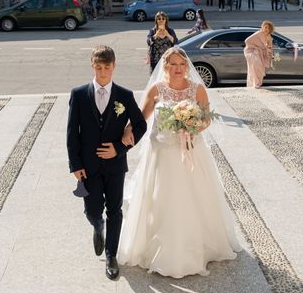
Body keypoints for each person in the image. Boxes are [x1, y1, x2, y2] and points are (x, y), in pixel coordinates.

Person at [118, 47, 241, 278]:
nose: (177, 69)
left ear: (187, 67)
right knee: (160, 198)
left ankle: (196, 246)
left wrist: (191, 127)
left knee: (193, 197)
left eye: (181, 65)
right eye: (172, 65)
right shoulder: (157, 89)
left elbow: (205, 120)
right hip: (161, 154)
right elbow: (141, 118)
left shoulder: (198, 89)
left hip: (190, 151)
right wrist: (127, 131)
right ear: (165, 66)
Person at [67, 45, 147, 280]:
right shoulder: (79, 94)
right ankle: (97, 226)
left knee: (115, 210)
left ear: (114, 66)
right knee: (91, 210)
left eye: (107, 67)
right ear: (93, 66)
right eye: (99, 67)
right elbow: (72, 132)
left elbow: (140, 125)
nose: (103, 72)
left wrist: (120, 148)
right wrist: (75, 165)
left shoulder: (124, 95)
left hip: (115, 166)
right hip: (88, 166)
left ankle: (111, 256)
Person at [244, 20, 274, 88]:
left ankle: (258, 83)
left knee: (260, 69)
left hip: (261, 54)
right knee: (257, 66)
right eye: (265, 27)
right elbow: (247, 41)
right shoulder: (258, 33)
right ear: (262, 27)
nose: (266, 29)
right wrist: (257, 47)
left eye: (268, 28)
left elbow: (270, 47)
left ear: (270, 30)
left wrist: (269, 54)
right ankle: (256, 83)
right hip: (252, 52)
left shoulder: (269, 37)